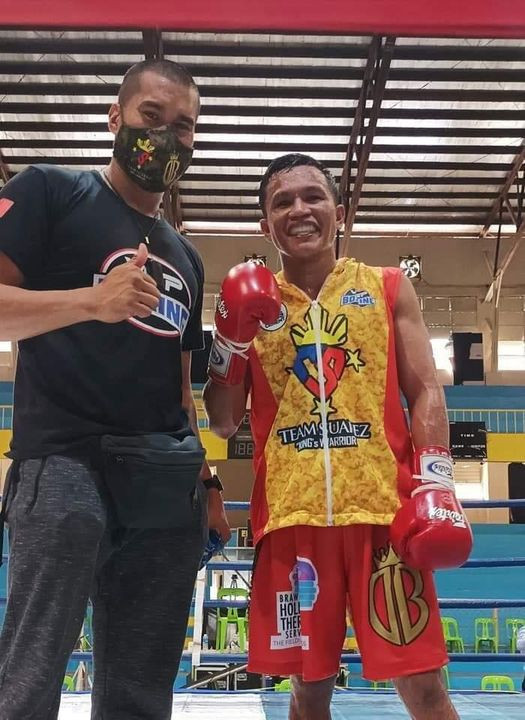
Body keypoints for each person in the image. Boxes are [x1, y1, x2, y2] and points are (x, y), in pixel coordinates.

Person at [203, 153, 473, 720]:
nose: (299, 210)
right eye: (282, 202)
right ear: (265, 225)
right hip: (292, 519)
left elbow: (426, 389)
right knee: (307, 694)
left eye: (313, 196)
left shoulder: (387, 287)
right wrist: (228, 341)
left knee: (425, 688)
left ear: (340, 211)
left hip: (383, 517)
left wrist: (436, 482)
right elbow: (223, 421)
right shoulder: (255, 302)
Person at [0, 59, 230, 720]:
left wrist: (208, 482)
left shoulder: (185, 256)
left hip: (163, 481)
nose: (165, 138)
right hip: (65, 462)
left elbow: (180, 390)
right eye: (151, 117)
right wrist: (90, 301)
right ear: (114, 117)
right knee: (29, 682)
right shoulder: (50, 191)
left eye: (182, 127)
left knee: (141, 692)